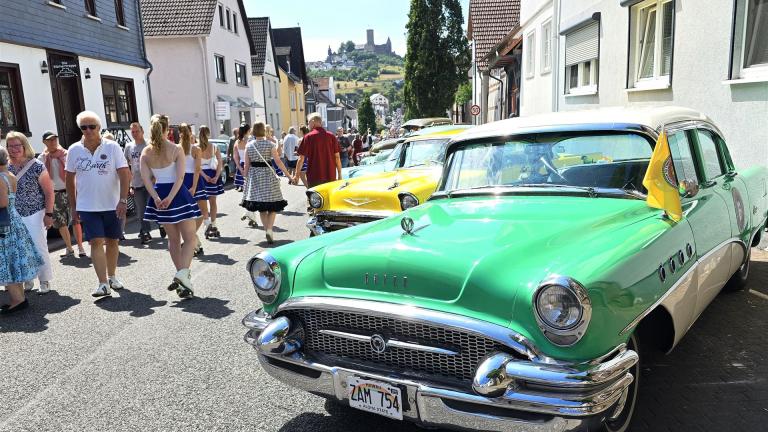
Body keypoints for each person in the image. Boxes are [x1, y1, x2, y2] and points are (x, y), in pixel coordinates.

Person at [65, 111, 130, 298]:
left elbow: (124, 174)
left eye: (92, 126)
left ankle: (112, 277)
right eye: (83, 127)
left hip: (112, 204)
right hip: (87, 206)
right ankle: (102, 284)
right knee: (95, 241)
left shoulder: (112, 147)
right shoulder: (74, 150)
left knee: (112, 241)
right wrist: (73, 206)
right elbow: (70, 180)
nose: (88, 130)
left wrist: (123, 199)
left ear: (99, 128)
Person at [141, 115, 201, 298]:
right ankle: (182, 275)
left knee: (173, 240)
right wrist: (170, 197)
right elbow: (180, 177)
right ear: (167, 129)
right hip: (177, 194)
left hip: (159, 194)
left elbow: (146, 180)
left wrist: (158, 198)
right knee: (190, 238)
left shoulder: (146, 152)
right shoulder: (175, 149)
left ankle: (182, 279)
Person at [5, 131, 55, 294]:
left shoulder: (36, 166)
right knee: (19, 248)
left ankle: (44, 280)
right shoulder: (5, 167)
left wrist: (49, 214)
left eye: (17, 145)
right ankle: (26, 279)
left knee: (38, 246)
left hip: (35, 212)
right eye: (10, 146)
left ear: (24, 145)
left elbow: (49, 192)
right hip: (13, 215)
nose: (14, 149)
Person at [0, 147, 43, 314]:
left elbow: (2, 203)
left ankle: (17, 300)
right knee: (13, 259)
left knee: (7, 260)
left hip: (4, 222)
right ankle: (19, 298)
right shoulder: (9, 175)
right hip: (14, 220)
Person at [38, 130, 86, 258]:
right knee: (60, 222)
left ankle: (81, 247)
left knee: (76, 219)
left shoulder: (66, 154)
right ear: (44, 142)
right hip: (54, 193)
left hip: (71, 191)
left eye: (54, 139)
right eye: (49, 140)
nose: (53, 142)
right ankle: (69, 248)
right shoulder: (42, 158)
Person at [241, 122, 289, 244]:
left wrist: (245, 177)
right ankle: (269, 229)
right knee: (272, 205)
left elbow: (246, 164)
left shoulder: (249, 145)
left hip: (255, 176)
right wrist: (288, 175)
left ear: (253, 132)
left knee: (262, 207)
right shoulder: (270, 144)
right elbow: (278, 161)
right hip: (268, 175)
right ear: (264, 131)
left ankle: (266, 229)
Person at [124, 122, 164, 244]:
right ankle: (145, 232)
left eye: (137, 131)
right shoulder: (129, 147)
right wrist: (129, 183)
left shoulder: (149, 145)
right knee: (141, 210)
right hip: (137, 183)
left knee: (154, 206)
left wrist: (156, 177)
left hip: (151, 182)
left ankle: (162, 224)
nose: (135, 134)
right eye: (133, 132)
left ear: (142, 131)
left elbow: (158, 162)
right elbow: (125, 165)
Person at [179, 123, 208, 256]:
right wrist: (194, 187)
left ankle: (191, 239)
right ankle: (191, 238)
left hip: (182, 180)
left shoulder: (177, 148)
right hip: (193, 181)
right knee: (201, 213)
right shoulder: (196, 148)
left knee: (187, 214)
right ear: (190, 133)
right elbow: (197, 170)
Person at [293, 113, 342, 188]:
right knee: (329, 199)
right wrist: (339, 175)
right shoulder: (332, 136)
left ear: (313, 122)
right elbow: (337, 157)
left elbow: (301, 159)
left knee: (314, 199)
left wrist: (296, 176)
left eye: (308, 122)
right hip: (330, 176)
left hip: (314, 177)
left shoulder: (308, 137)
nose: (308, 125)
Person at [198, 125, 223, 238]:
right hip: (213, 175)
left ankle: (206, 223)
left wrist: (204, 175)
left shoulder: (196, 148)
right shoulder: (214, 147)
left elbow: (196, 166)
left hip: (201, 176)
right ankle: (213, 224)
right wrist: (217, 176)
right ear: (208, 134)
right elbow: (220, 163)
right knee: (213, 202)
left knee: (203, 204)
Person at [232, 123, 249, 192]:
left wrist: (240, 169)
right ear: (248, 131)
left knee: (244, 188)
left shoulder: (237, 142)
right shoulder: (250, 141)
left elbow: (235, 158)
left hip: (241, 165)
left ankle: (245, 201)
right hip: (250, 165)